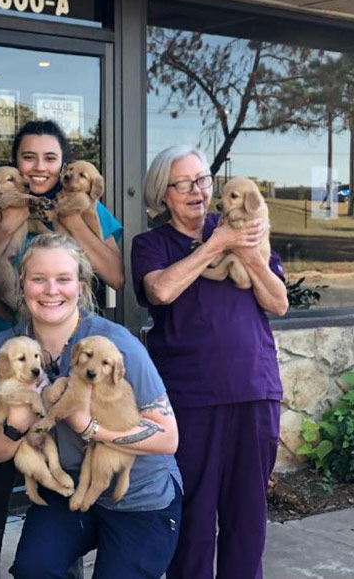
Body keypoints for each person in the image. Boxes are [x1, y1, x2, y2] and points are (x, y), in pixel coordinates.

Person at [0, 120, 124, 578]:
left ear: (64, 164)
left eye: (50, 158)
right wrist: (12, 220)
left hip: (64, 375)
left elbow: (115, 274)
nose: (38, 167)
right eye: (28, 157)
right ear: (15, 163)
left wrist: (73, 222)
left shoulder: (86, 205)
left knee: (59, 488)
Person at [0, 233, 181, 578]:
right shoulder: (8, 348)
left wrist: (91, 428)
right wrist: (18, 421)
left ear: (82, 285)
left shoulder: (115, 344)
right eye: (38, 279)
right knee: (34, 569)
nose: (51, 290)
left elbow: (167, 437)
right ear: (22, 283)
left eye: (63, 279)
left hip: (138, 494)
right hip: (69, 485)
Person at [131, 145, 288, 579]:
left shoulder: (244, 228)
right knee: (193, 520)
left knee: (248, 519)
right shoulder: (151, 244)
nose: (198, 191)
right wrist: (214, 244)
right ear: (163, 194)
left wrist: (247, 251)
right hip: (190, 400)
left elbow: (278, 303)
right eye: (183, 184)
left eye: (202, 180)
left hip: (254, 390)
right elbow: (161, 291)